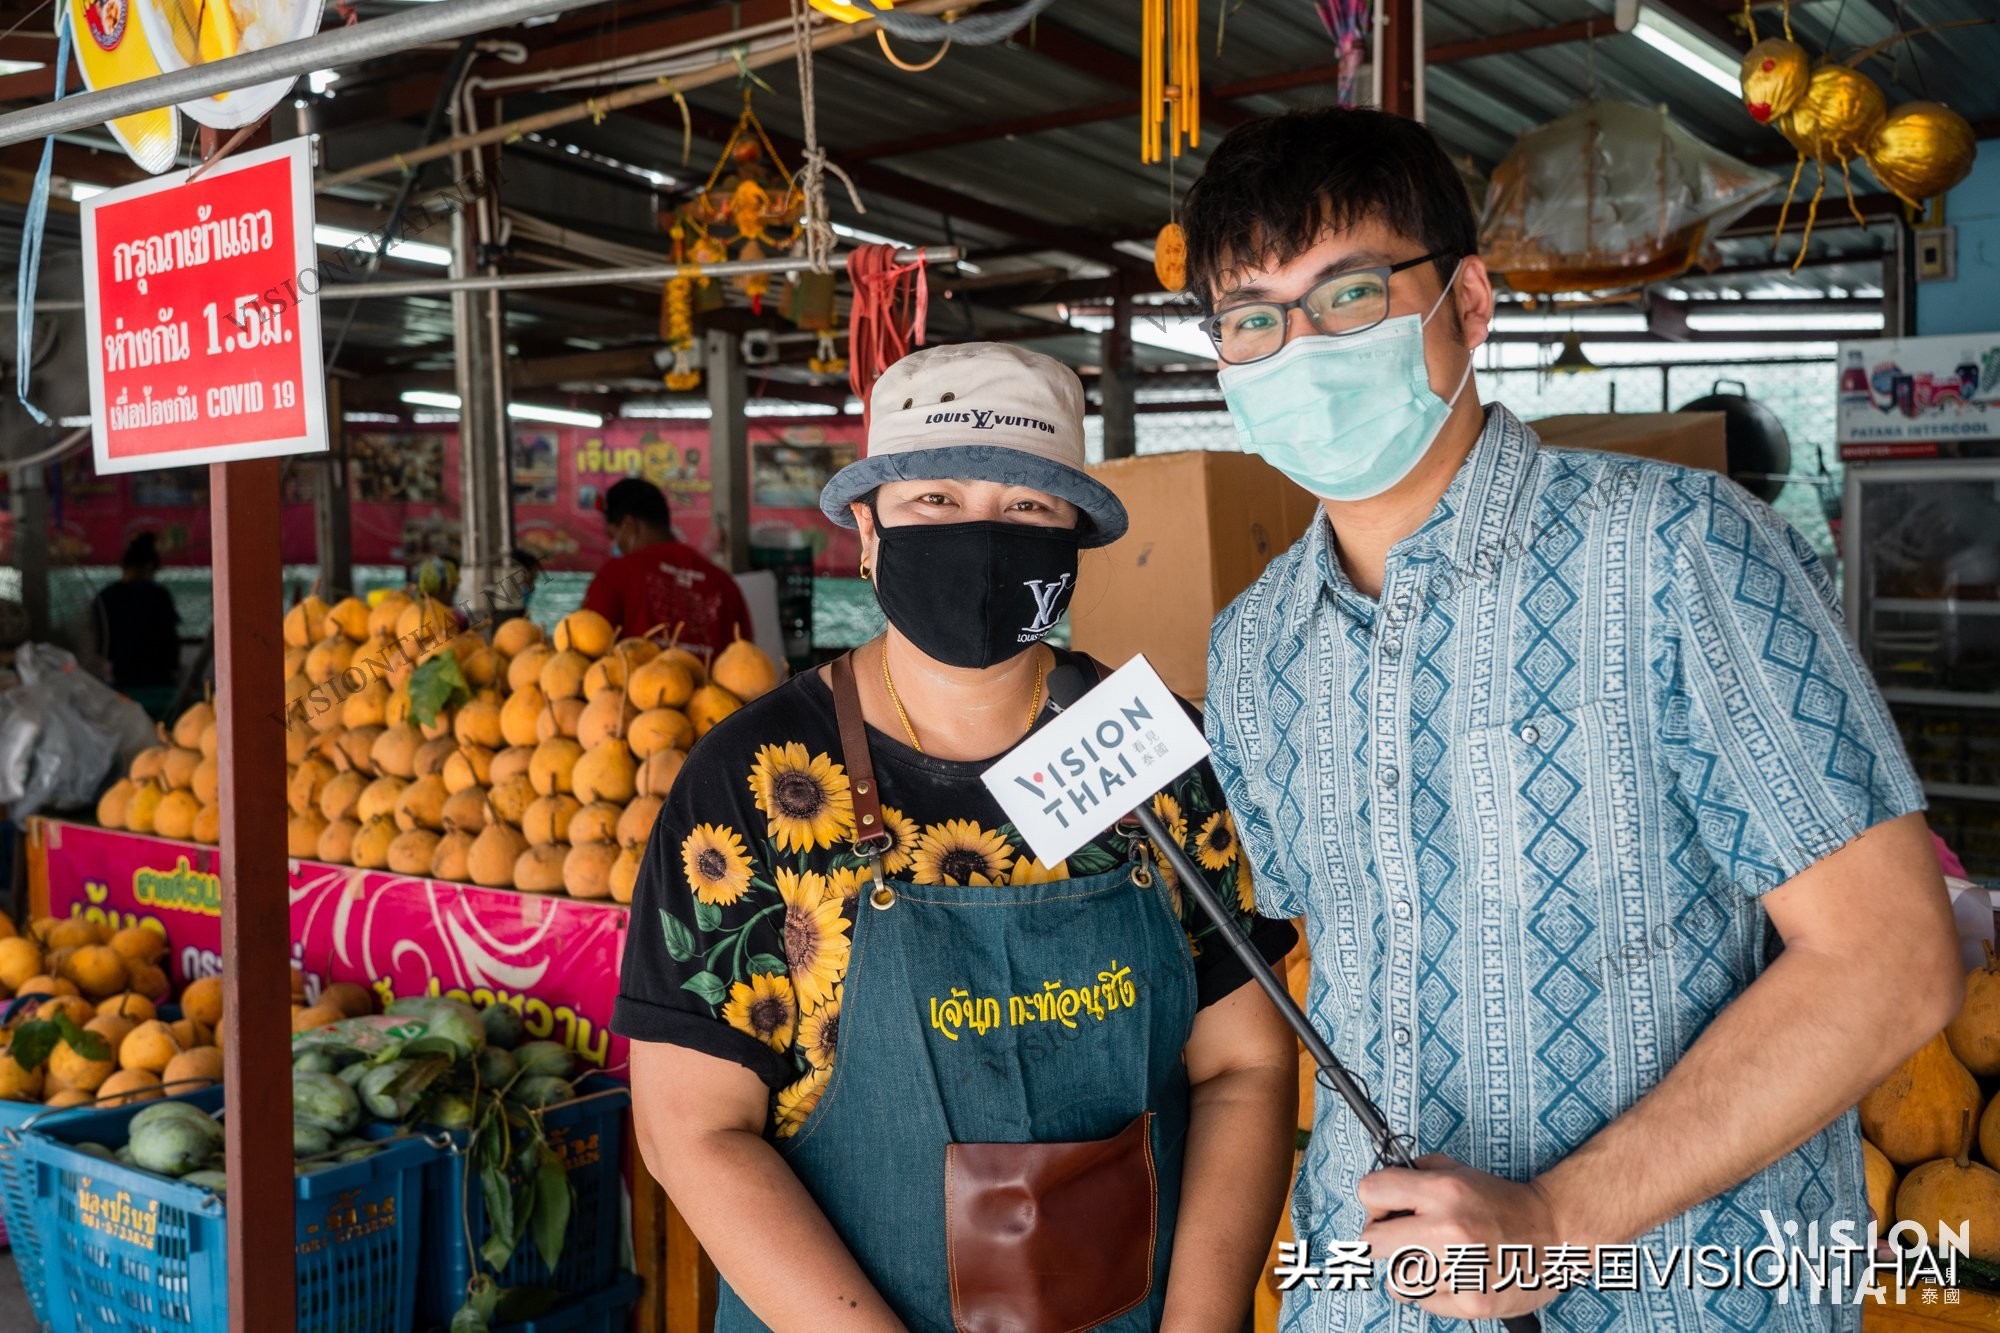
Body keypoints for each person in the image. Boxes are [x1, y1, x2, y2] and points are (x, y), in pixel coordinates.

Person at [1187, 106, 1962, 1329]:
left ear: (1467, 304)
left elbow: (1890, 960)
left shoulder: (1676, 550)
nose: (1299, 351)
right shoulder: (1251, 648)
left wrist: (1554, 1220)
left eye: (1346, 296)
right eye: (1251, 319)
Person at [614, 342, 1300, 1332]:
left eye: (1026, 506)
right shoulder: (752, 783)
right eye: (934, 499)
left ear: (1073, 538)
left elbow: (1244, 1064)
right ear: (867, 524)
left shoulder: (1156, 752)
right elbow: (695, 1130)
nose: (981, 537)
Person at [583, 477, 751, 660]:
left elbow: (587, 645)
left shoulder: (617, 575)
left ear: (629, 525)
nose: (618, 546)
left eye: (614, 537)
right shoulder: (724, 584)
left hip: (636, 678)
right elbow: (746, 659)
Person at [91, 532, 181, 719]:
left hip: (123, 682)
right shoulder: (158, 596)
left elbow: (101, 645)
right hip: (159, 685)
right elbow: (170, 641)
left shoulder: (105, 597)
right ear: (149, 567)